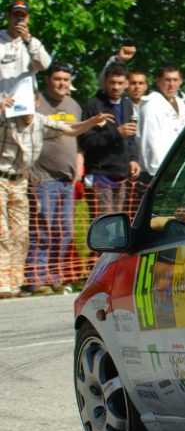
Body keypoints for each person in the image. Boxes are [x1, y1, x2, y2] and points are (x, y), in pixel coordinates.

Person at [0, 94, 112, 298]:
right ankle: (2, 284)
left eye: (31, 102)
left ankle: (14, 283)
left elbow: (70, 129)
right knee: (2, 232)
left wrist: (92, 122)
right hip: (1, 179)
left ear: (36, 103)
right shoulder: (6, 119)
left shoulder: (41, 120)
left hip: (20, 181)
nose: (27, 107)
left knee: (21, 233)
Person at [26, 63, 83, 294]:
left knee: (65, 231)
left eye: (66, 79)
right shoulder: (36, 102)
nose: (62, 83)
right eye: (57, 79)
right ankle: (36, 278)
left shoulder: (74, 105)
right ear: (48, 80)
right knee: (43, 229)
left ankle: (56, 276)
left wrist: (78, 165)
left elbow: (78, 141)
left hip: (67, 180)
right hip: (43, 177)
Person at [79, 64, 140, 216]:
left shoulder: (127, 104)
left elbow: (130, 137)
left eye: (120, 83)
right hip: (100, 174)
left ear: (126, 84)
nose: (116, 87)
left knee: (119, 221)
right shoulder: (93, 105)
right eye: (112, 83)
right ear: (105, 82)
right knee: (104, 221)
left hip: (122, 173)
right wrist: (116, 133)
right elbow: (86, 141)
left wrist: (133, 159)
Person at [138, 64, 185, 179]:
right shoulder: (151, 104)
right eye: (167, 80)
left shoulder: (183, 103)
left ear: (181, 81)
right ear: (158, 81)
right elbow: (150, 141)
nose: (171, 84)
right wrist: (158, 172)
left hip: (179, 168)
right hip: (157, 172)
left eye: (175, 80)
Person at [0, 0, 51, 101]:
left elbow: (45, 65)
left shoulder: (33, 42)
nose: (19, 19)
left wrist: (28, 41)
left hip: (25, 107)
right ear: (8, 17)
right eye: (16, 15)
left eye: (23, 16)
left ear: (28, 19)